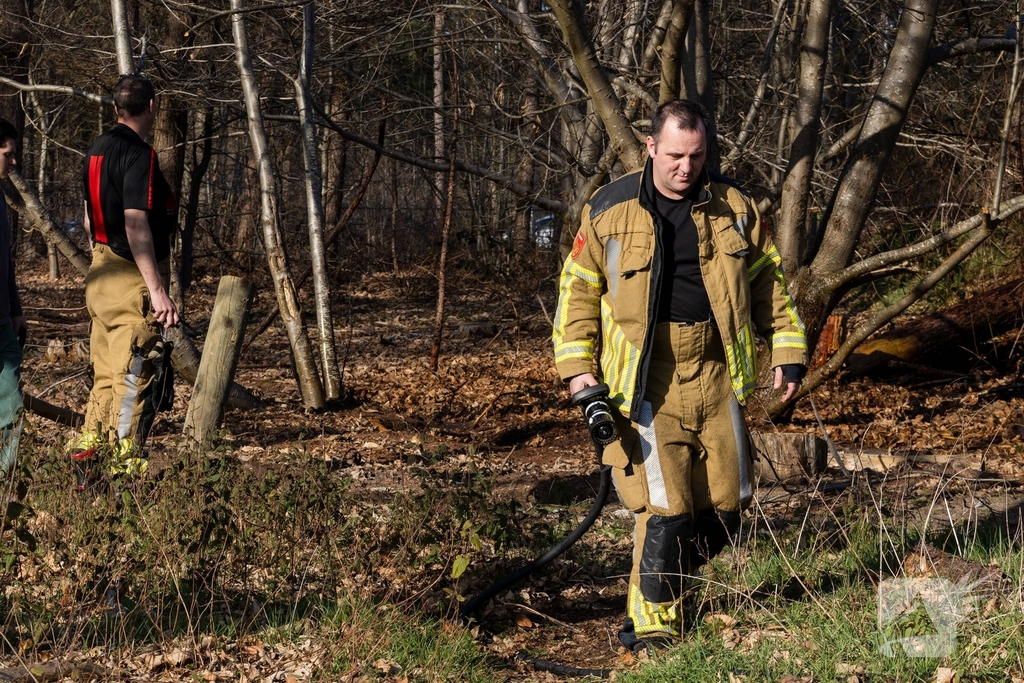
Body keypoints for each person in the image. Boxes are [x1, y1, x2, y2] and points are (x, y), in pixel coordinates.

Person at [552, 100, 807, 651]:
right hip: (645, 379)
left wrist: (787, 348)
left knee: (728, 502)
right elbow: (576, 292)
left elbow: (768, 282)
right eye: (673, 156)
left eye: (696, 156)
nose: (685, 168)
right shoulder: (609, 208)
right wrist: (578, 373)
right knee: (664, 509)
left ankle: (669, 585)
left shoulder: (734, 205)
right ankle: (650, 626)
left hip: (718, 372)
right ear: (650, 148)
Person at [68, 73, 178, 487]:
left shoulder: (95, 149)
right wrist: (157, 290)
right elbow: (136, 226)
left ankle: (88, 457)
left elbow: (86, 217)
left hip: (99, 273)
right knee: (134, 375)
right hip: (128, 276)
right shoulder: (139, 155)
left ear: (116, 108)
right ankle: (124, 469)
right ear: (152, 106)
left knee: (106, 375)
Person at [0, 119, 27, 491]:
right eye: (8, 154)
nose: (15, 162)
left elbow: (5, 261)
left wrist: (16, 309)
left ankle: (5, 481)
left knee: (11, 404)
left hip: (3, 323)